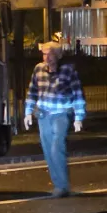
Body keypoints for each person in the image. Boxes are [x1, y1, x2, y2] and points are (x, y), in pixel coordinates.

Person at [23, 40, 85, 197]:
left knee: (57, 147)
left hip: (61, 113)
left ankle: (62, 186)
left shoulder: (68, 71)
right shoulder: (38, 69)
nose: (47, 57)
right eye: (45, 54)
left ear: (58, 55)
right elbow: (32, 92)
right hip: (43, 114)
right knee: (48, 150)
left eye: (51, 54)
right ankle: (59, 185)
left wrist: (79, 117)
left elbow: (78, 94)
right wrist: (28, 112)